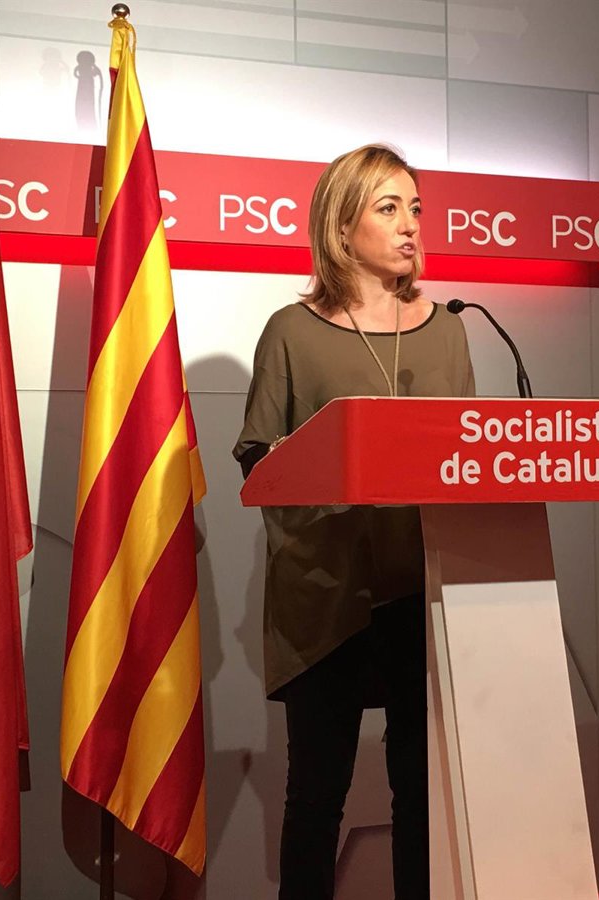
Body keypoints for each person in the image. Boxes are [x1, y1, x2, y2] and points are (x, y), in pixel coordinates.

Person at [233, 143, 475, 900]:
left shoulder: (449, 328)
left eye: (416, 208)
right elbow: (258, 460)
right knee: (317, 796)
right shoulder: (291, 331)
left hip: (421, 593)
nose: (410, 225)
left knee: (422, 795)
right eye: (388, 208)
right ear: (341, 228)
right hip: (325, 596)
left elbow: (469, 453)